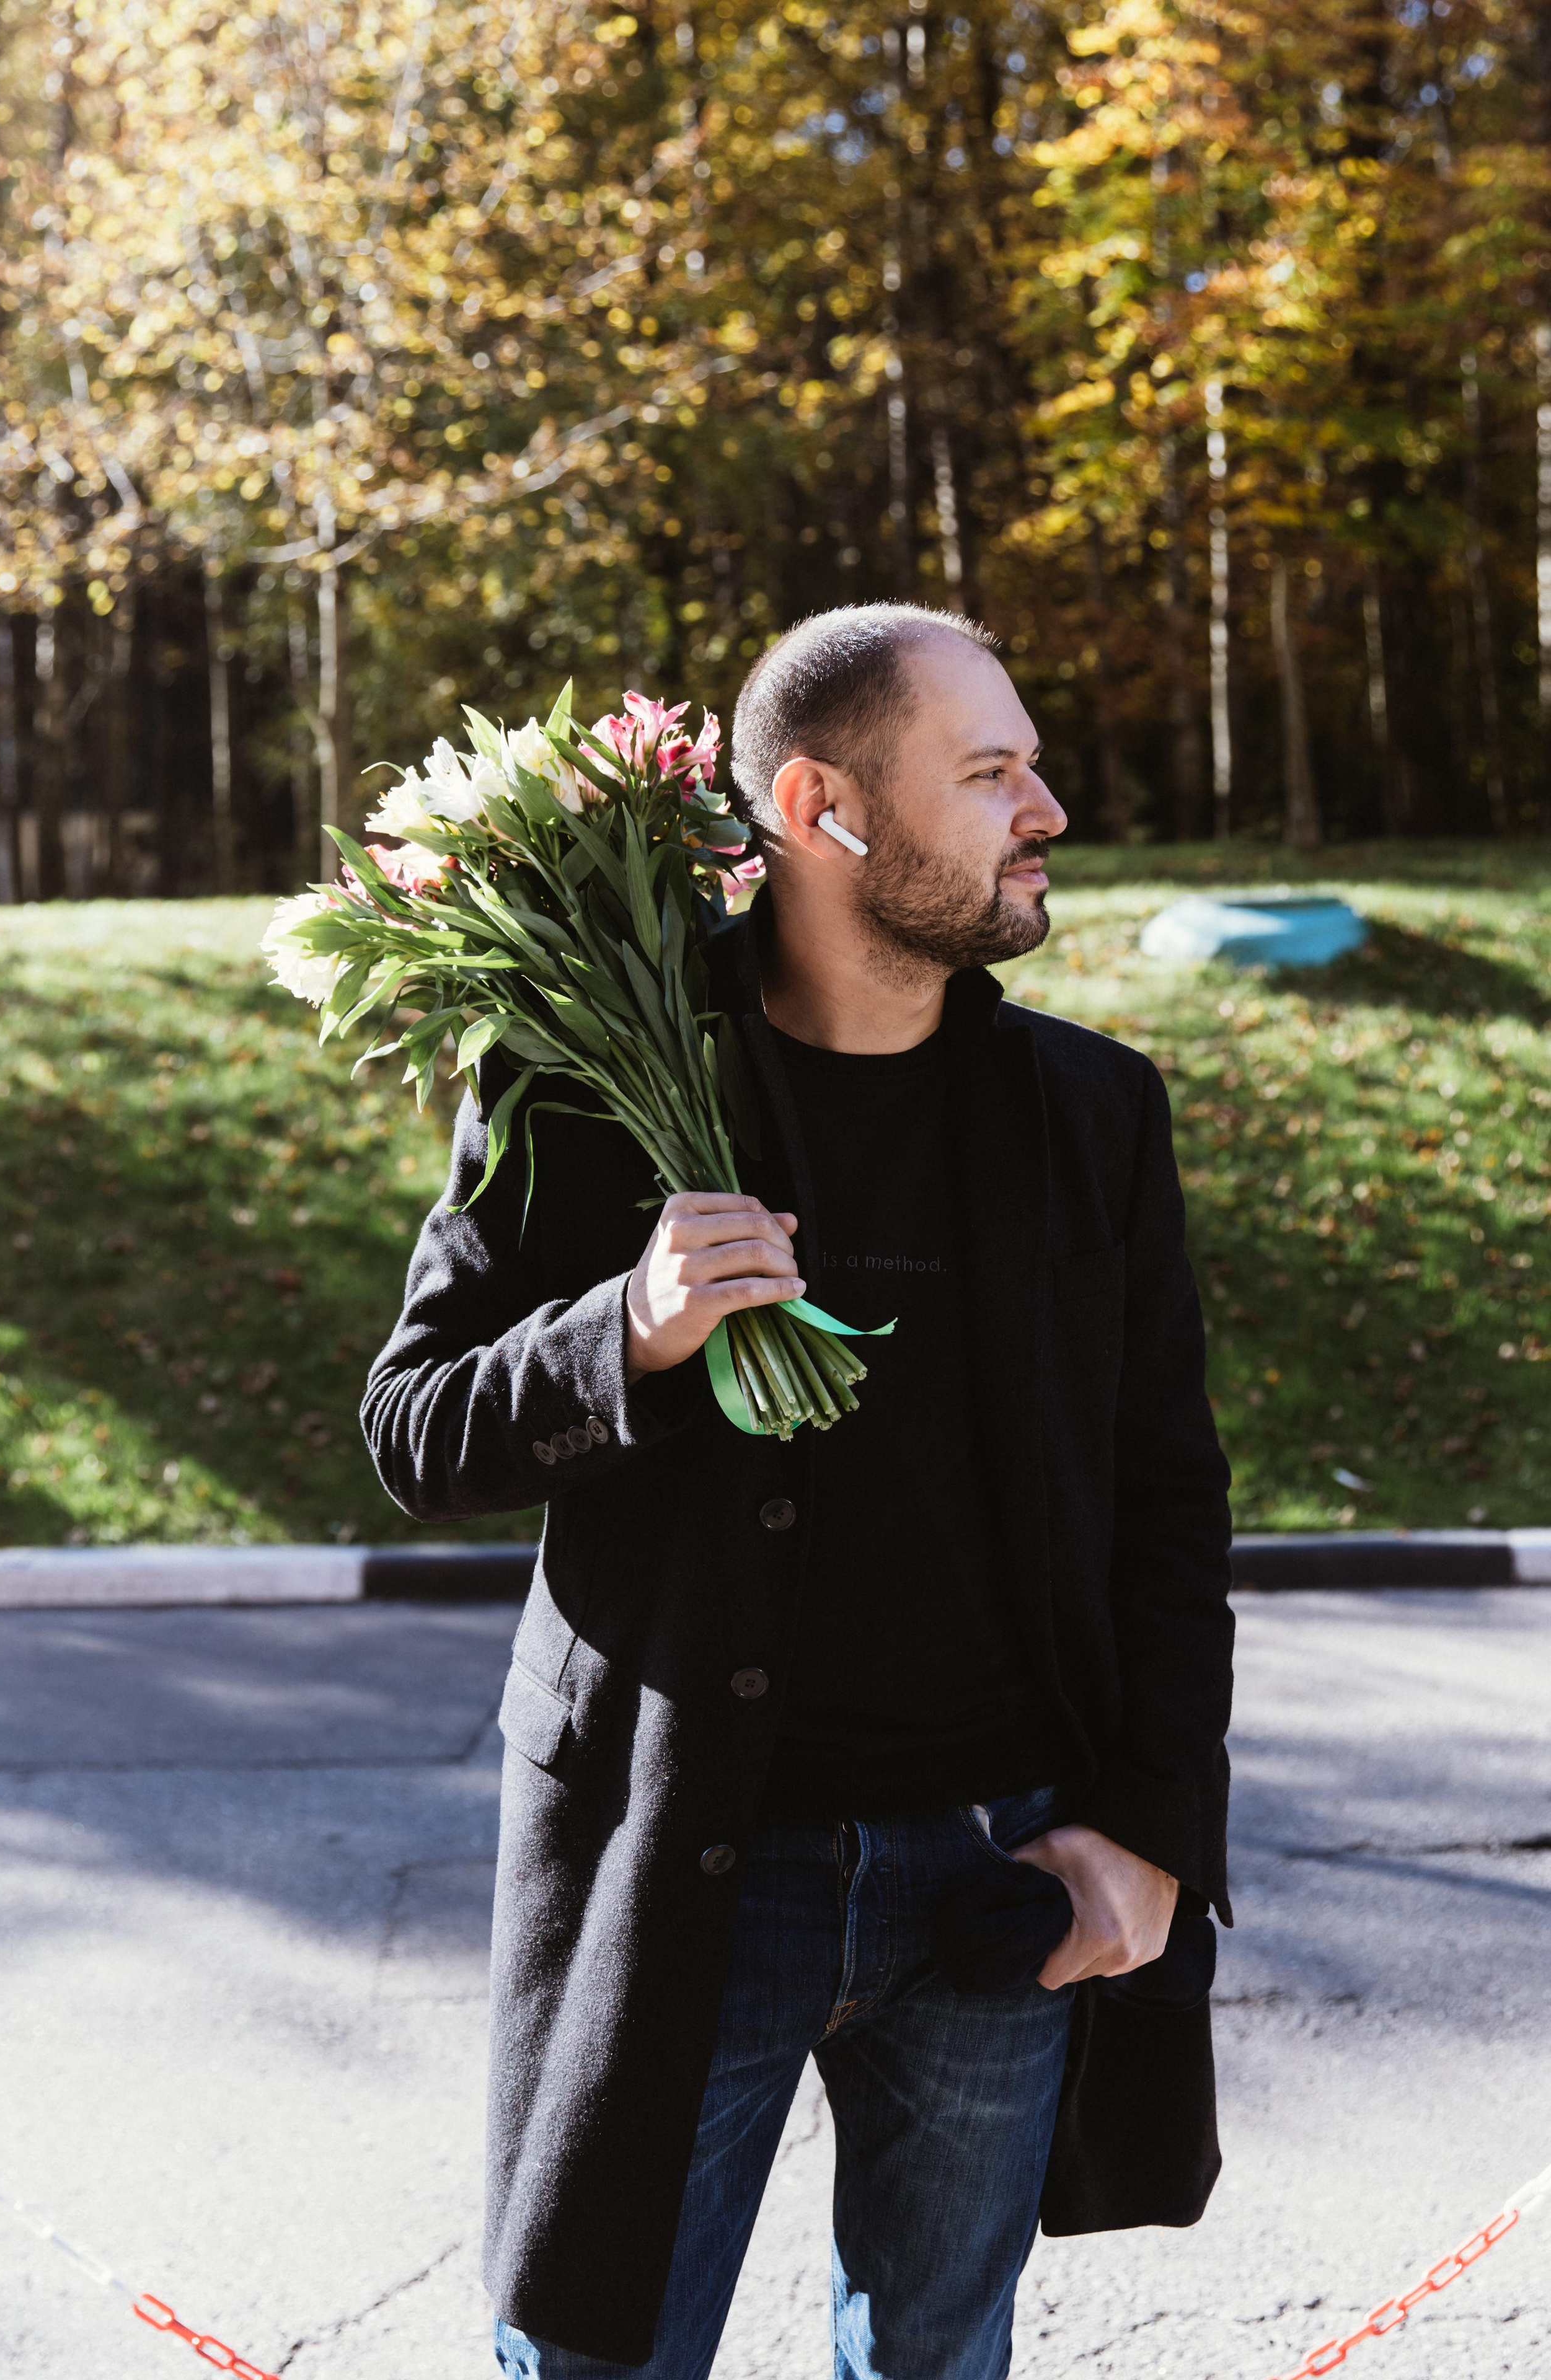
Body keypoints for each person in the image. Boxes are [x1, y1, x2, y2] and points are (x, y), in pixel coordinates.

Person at [363, 602, 1235, 2379]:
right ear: (822, 808)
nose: (1047, 810)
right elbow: (416, 1431)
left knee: (941, 2355)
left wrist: (1151, 1836)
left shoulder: (1092, 1112)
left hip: (1004, 1873)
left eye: (1033, 770)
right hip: (689, 1867)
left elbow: (1168, 1507)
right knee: (601, 2357)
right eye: (993, 774)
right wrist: (632, 1330)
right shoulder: (592, 1091)